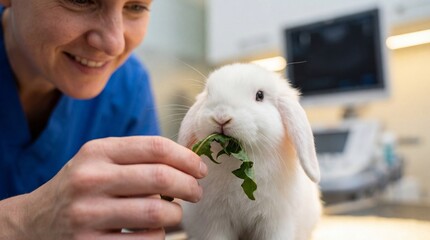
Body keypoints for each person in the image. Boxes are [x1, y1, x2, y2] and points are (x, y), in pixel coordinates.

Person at [0, 0, 207, 239]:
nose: (114, 44)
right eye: (81, 1)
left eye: (136, 7)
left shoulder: (128, 86)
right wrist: (25, 220)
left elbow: (144, 207)